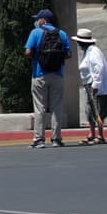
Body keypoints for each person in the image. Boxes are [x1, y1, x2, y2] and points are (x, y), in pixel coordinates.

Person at [24, 8, 72, 148]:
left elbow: (28, 52)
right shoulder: (62, 33)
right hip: (57, 74)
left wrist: (37, 54)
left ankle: (39, 139)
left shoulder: (35, 32)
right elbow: (69, 54)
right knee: (56, 107)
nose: (36, 21)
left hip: (39, 75)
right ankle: (56, 139)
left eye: (38, 19)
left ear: (43, 20)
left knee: (40, 108)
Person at [73, 28, 107, 145]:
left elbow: (99, 67)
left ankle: (100, 135)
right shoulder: (87, 52)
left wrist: (96, 84)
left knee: (98, 110)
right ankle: (92, 133)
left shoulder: (94, 51)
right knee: (89, 110)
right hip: (88, 84)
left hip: (95, 85)